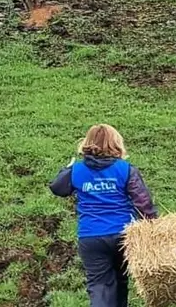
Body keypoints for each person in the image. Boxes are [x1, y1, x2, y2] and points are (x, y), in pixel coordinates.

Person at [50, 125, 158, 307]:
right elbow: (143, 203)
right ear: (116, 143)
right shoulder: (125, 169)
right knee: (121, 282)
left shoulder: (76, 170)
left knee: (100, 286)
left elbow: (57, 188)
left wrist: (65, 170)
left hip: (91, 237)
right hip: (123, 235)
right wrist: (154, 229)